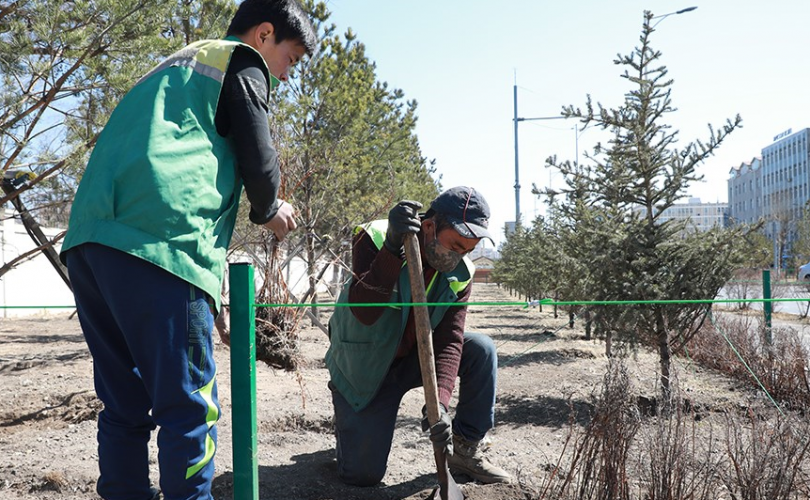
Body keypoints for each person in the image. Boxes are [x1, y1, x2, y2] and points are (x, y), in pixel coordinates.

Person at [59, 1, 317, 499]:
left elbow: (165, 158)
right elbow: (259, 161)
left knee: (123, 404)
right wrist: (269, 208)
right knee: (189, 407)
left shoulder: (172, 70)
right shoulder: (240, 62)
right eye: (291, 59)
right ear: (264, 34)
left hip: (91, 240)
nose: (285, 75)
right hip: (162, 244)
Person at [325, 186, 512, 487]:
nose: (459, 255)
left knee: (480, 349)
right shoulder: (373, 237)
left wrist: (439, 404)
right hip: (363, 363)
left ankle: (465, 450)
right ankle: (350, 423)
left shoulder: (461, 273)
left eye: (468, 249)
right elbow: (365, 311)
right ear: (429, 226)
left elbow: (450, 340)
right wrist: (390, 249)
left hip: (413, 358)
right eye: (455, 244)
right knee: (362, 475)